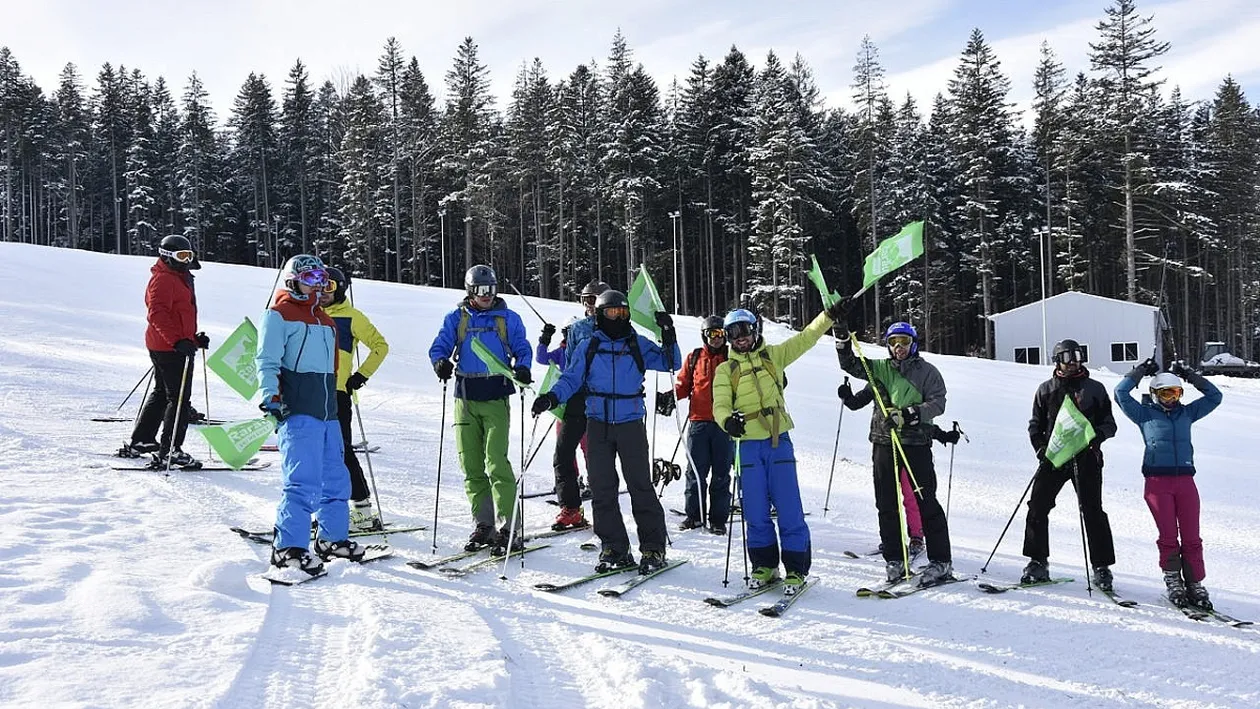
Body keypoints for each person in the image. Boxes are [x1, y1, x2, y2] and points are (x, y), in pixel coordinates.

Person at [531, 290, 681, 575]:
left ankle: (653, 547)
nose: (618, 318)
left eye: (622, 313)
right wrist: (551, 397)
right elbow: (571, 379)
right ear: (600, 315)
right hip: (597, 422)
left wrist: (668, 332)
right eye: (611, 313)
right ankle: (613, 547)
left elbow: (670, 362)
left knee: (640, 485)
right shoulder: (588, 345)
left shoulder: (636, 343)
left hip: (630, 423)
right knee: (602, 488)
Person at [714, 300, 849, 595]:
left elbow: (805, 338)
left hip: (778, 440)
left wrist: (828, 316)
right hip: (747, 445)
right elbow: (720, 404)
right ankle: (765, 564)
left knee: (788, 506)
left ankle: (796, 566)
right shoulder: (726, 370)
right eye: (734, 333)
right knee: (755, 509)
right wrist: (728, 421)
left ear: (755, 330)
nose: (741, 337)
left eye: (745, 330)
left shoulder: (773, 356)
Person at [258, 254, 363, 576]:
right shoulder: (278, 315)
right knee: (302, 480)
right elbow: (267, 360)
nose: (318, 284)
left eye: (321, 278)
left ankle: (332, 539)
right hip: (298, 407)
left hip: (327, 408)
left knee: (336, 476)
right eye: (310, 278)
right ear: (293, 280)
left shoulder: (326, 320)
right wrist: (271, 397)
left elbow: (332, 369)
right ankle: (288, 547)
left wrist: (334, 399)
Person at [836, 317, 953, 587]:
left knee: (926, 501)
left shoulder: (928, 372)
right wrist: (842, 338)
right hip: (883, 442)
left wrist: (909, 415)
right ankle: (894, 558)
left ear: (914, 344)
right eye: (893, 342)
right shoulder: (880, 369)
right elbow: (851, 365)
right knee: (885, 502)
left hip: (915, 444)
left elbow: (938, 403)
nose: (899, 347)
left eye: (904, 342)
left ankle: (940, 560)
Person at [429, 265, 533, 555]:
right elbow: (440, 346)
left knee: (496, 462)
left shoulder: (508, 319)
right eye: (480, 291)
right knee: (471, 465)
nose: (486, 296)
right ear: (469, 291)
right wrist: (440, 362)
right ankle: (483, 523)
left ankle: (510, 526)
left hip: (496, 395)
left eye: (490, 290)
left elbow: (523, 348)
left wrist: (523, 367)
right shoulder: (457, 318)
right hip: (465, 396)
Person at [1114, 358, 1222, 609]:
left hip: (1186, 482)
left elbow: (1215, 396)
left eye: (1175, 392)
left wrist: (1189, 375)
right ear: (1154, 394)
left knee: (1192, 536)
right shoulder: (1143, 414)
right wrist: (1140, 371)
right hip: (1157, 483)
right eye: (1165, 393)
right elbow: (1120, 392)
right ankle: (1173, 578)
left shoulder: (1187, 413)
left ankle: (1195, 582)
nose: (1171, 398)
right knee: (1168, 535)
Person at [1022, 338, 1118, 590]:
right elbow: (1035, 425)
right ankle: (1037, 561)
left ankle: (1102, 566)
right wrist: (1040, 448)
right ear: (1057, 361)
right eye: (1067, 357)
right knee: (1037, 506)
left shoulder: (1094, 388)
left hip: (1086, 457)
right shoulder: (1046, 389)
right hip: (1054, 458)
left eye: (1077, 356)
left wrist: (1095, 437)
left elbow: (1109, 423)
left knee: (1092, 510)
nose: (1073, 361)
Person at [122, 234, 209, 470]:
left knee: (162, 393)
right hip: (168, 348)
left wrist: (192, 339)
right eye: (181, 256)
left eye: (189, 255)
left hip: (166, 344)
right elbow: (157, 314)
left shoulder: (177, 276)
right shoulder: (164, 280)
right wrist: (178, 341)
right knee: (178, 398)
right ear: (167, 256)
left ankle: (142, 440)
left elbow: (177, 313)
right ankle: (171, 449)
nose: (186, 260)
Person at [320, 267, 390, 532]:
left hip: (338, 393)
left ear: (340, 288)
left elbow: (380, 346)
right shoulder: (311, 314)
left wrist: (361, 375)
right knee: (317, 453)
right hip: (311, 392)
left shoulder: (352, 317)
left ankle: (362, 510)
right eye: (319, 287)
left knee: (342, 451)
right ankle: (328, 509)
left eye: (329, 288)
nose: (323, 294)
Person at [538, 280, 609, 531]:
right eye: (585, 300)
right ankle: (570, 509)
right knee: (563, 454)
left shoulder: (617, 327)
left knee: (598, 457)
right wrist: (554, 396)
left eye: (593, 300)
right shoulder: (578, 330)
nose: (589, 305)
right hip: (576, 400)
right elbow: (567, 369)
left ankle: (605, 510)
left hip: (603, 401)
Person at [655, 315, 733, 535]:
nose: (716, 339)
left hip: (724, 424)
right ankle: (694, 516)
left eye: (720, 334)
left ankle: (718, 519)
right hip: (698, 423)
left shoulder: (732, 358)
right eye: (712, 334)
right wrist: (670, 396)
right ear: (704, 336)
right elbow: (684, 385)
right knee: (695, 472)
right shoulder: (695, 357)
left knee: (721, 473)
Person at [837, 379, 924, 556]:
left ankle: (916, 535)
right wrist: (847, 397)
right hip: (882, 443)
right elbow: (857, 402)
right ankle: (891, 539)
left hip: (907, 443)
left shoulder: (911, 379)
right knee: (886, 497)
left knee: (909, 493)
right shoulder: (878, 379)